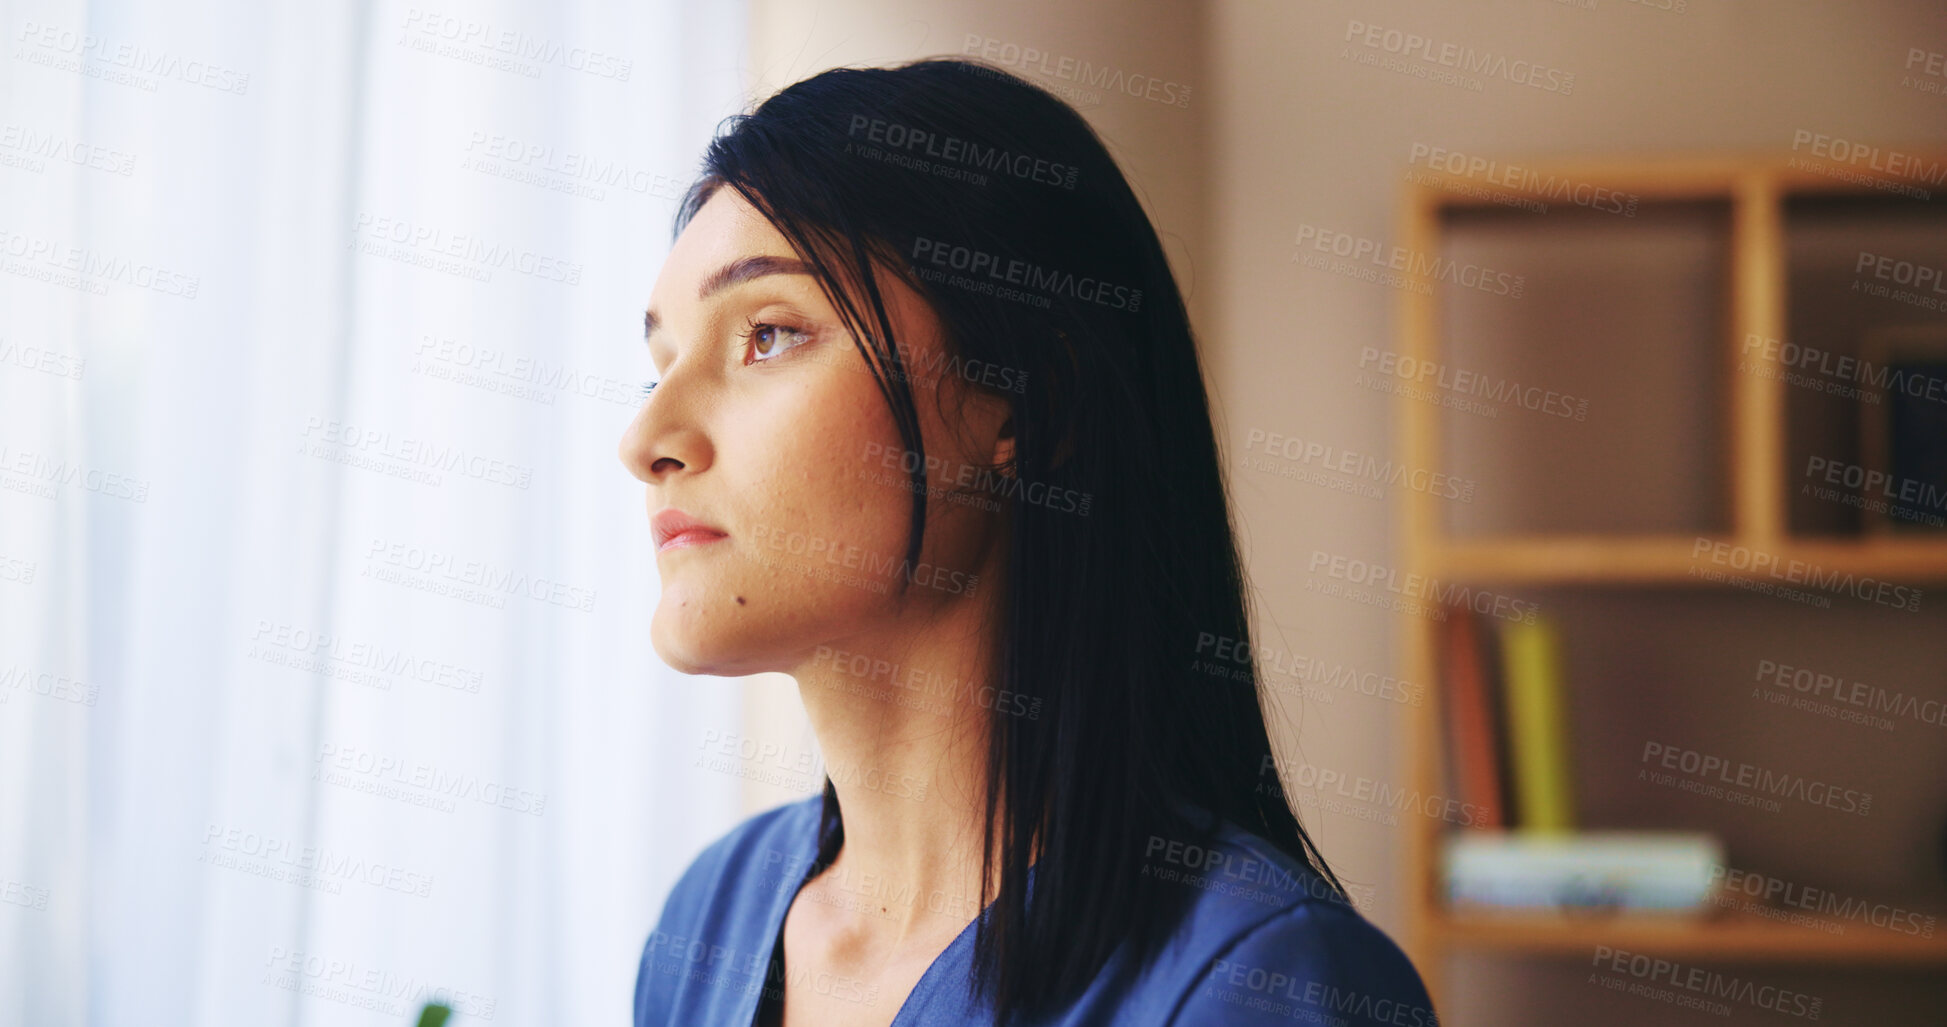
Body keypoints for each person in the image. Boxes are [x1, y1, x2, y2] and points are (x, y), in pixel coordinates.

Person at [620, 57, 1435, 1027]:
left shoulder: (1262, 982)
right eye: (660, 363)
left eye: (768, 334)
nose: (647, 441)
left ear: (1026, 406)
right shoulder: (708, 920)